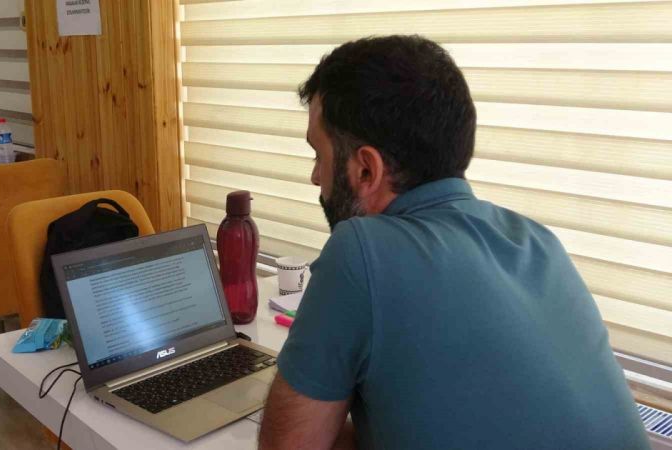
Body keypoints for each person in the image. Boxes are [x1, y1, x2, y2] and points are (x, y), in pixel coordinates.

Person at [258, 35, 649, 450]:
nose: (315, 176)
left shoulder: (361, 249)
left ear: (366, 170)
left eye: (318, 155)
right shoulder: (539, 242)